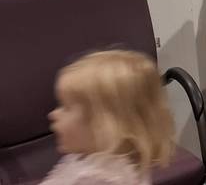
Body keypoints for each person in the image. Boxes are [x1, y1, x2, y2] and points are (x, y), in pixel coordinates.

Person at [41, 50, 174, 185]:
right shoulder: (102, 162)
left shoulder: (96, 180)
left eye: (66, 107)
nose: (53, 114)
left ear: (103, 127)